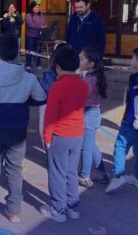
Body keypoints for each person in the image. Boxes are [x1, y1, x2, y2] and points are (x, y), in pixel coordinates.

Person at [0, 33, 47, 223]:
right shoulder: (28, 77)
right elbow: (41, 98)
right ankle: (14, 211)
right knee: (14, 168)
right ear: (17, 55)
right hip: (17, 130)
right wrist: (22, 100)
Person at [40, 46, 89, 223]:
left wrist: (46, 138)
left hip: (60, 135)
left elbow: (50, 116)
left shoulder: (57, 87)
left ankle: (58, 209)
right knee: (71, 172)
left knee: (57, 173)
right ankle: (73, 207)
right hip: (77, 134)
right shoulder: (83, 84)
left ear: (57, 67)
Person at [105, 47, 138, 194]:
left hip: (132, 122)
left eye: (132, 58)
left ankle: (118, 175)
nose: (130, 61)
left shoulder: (135, 78)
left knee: (121, 146)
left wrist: (137, 121)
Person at [78, 47, 109, 188]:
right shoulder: (93, 77)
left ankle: (85, 176)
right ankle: (101, 172)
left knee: (86, 148)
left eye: (81, 59)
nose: (79, 61)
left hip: (88, 114)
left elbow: (80, 97)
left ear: (90, 64)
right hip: (93, 114)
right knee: (91, 145)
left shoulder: (89, 80)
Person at [25, 0, 46, 70]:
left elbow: (44, 23)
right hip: (30, 36)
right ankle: (28, 64)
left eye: (38, 7)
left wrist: (39, 25)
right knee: (30, 50)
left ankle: (38, 64)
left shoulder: (41, 15)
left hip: (38, 36)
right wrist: (40, 26)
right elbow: (31, 24)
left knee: (38, 50)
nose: (37, 8)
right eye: (36, 7)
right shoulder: (28, 15)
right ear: (32, 8)